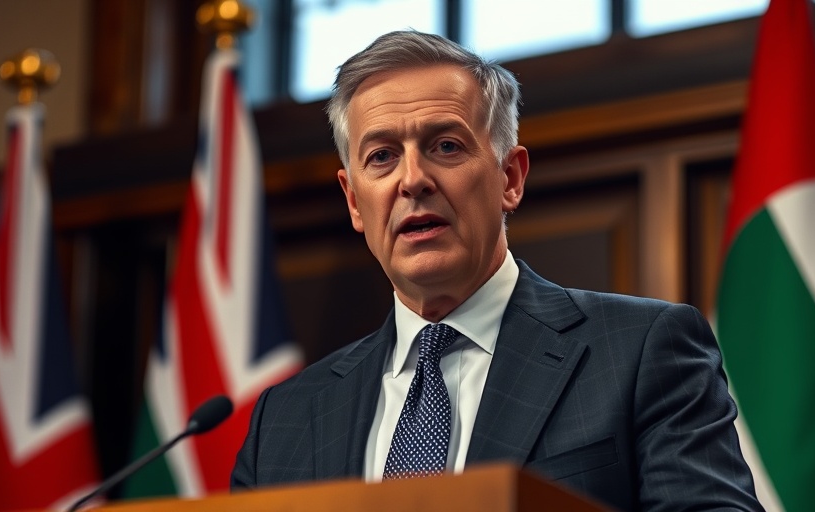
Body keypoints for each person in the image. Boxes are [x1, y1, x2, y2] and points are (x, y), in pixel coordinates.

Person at [231, 30, 762, 511]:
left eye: (446, 146)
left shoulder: (641, 351)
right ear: (353, 201)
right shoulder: (284, 419)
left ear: (510, 177)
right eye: (382, 156)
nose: (412, 180)